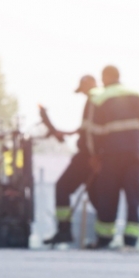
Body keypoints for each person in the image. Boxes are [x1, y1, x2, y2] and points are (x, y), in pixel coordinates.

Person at [84, 65, 139, 249]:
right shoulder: (136, 95)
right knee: (133, 197)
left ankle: (104, 238)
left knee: (108, 197)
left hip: (110, 156)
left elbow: (93, 132)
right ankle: (131, 240)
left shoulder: (99, 98)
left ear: (104, 78)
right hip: (133, 154)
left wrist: (95, 155)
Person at [38, 74, 100, 246]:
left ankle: (65, 230)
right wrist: (65, 133)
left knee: (63, 187)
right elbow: (85, 129)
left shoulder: (94, 100)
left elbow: (91, 132)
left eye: (83, 89)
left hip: (87, 156)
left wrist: (94, 155)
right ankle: (103, 237)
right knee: (96, 195)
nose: (83, 93)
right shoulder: (96, 101)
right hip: (92, 155)